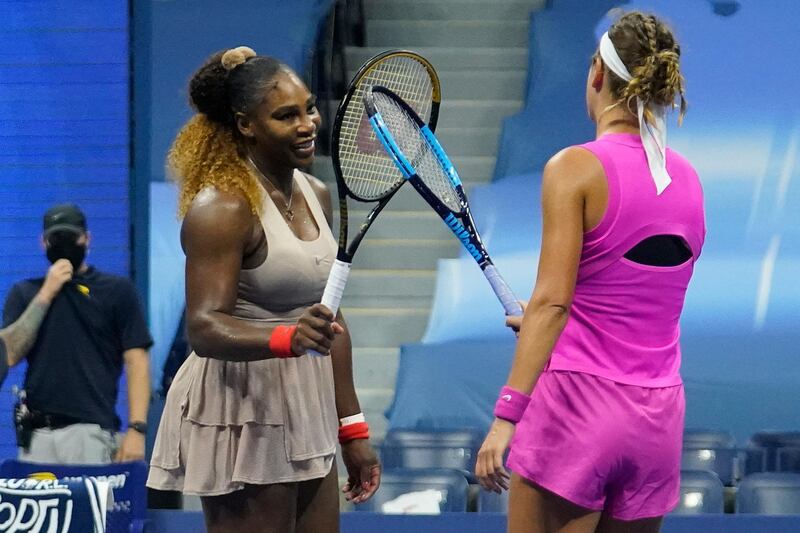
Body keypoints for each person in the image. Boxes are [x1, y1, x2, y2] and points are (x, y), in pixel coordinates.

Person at [475, 12, 705, 533]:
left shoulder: (574, 167)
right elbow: (637, 295)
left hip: (578, 411)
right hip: (658, 421)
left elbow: (553, 303)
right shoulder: (689, 180)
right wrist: (553, 322)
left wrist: (506, 416)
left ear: (597, 72)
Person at [146, 47, 380, 533]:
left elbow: (329, 321)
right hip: (241, 406)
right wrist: (286, 337)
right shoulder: (223, 207)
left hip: (306, 401)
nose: (307, 124)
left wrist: (352, 426)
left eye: (309, 108)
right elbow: (204, 327)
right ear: (246, 124)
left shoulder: (315, 192)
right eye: (285, 115)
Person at [3, 203, 153, 464]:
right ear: (43, 242)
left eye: (71, 237)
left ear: (87, 239)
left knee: (88, 505)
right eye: (56, 238)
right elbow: (9, 355)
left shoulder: (116, 291)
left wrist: (136, 429)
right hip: (37, 435)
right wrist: (47, 293)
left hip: (90, 430)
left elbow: (137, 360)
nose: (64, 244)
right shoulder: (24, 293)